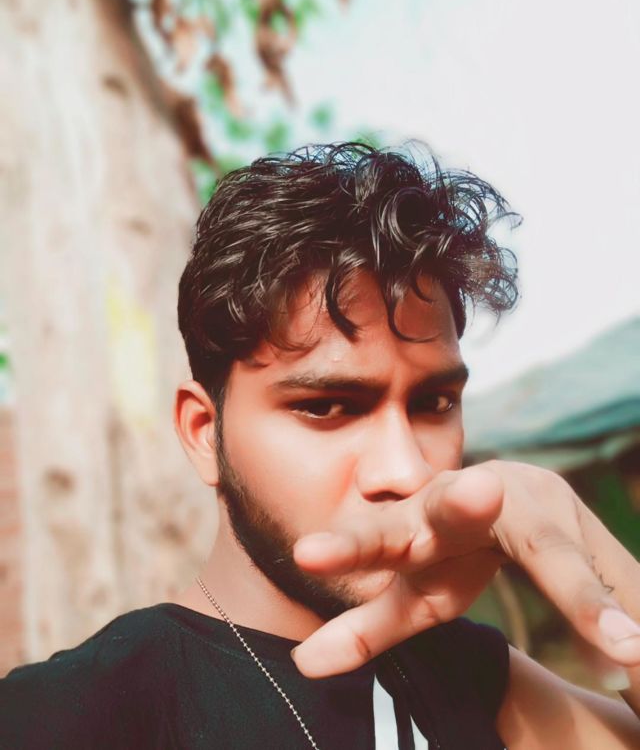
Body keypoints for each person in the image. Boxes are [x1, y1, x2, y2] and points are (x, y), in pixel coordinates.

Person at [1, 142, 639, 749]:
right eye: (328, 407)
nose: (406, 471)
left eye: (434, 404)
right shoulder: (75, 713)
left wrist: (586, 539)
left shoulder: (469, 673)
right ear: (203, 433)